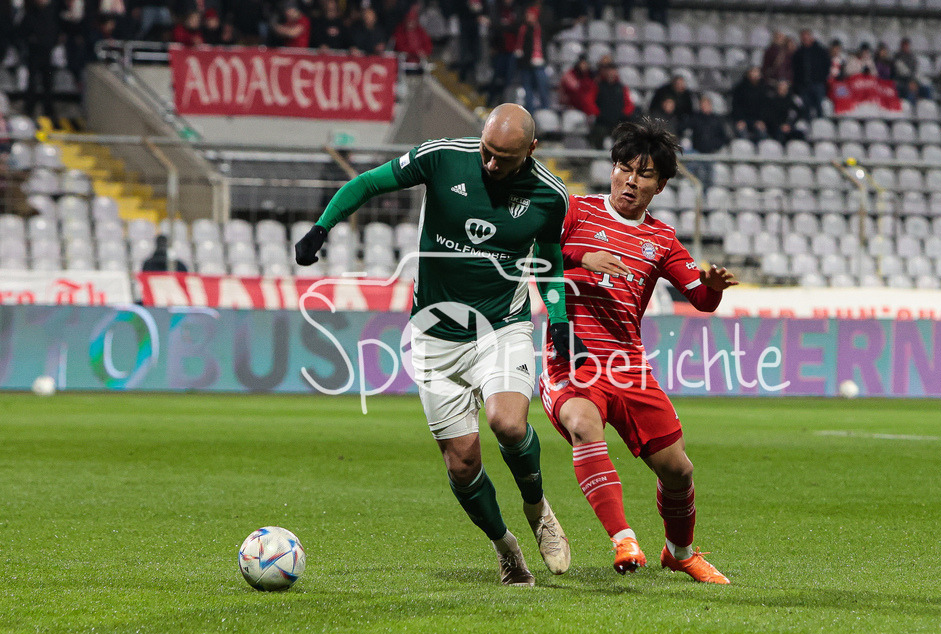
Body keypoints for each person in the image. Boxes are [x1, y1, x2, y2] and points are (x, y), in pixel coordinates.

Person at [294, 104, 581, 587]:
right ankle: (506, 548)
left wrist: (558, 319)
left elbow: (550, 261)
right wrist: (323, 226)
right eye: (487, 151)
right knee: (463, 463)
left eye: (504, 158)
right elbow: (368, 183)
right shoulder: (442, 157)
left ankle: (537, 509)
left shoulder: (550, 195)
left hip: (501, 326)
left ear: (531, 150)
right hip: (432, 335)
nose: (491, 164)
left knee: (508, 423)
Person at [539, 117, 737, 580]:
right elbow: (534, 257)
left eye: (644, 174)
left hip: (627, 363)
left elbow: (701, 299)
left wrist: (712, 287)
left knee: (679, 471)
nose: (631, 180)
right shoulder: (575, 211)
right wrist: (581, 256)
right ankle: (623, 538)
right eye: (624, 168)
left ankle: (680, 552)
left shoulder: (661, 239)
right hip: (572, 356)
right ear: (612, 169)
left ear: (661, 185)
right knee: (583, 424)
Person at [18, 0, 61, 120]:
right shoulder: (31, 12)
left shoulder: (52, 11)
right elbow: (22, 30)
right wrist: (30, 41)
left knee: (47, 82)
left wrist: (52, 41)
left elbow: (56, 29)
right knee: (32, 82)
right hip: (34, 52)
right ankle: (29, 108)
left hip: (47, 52)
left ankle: (48, 110)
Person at [589, 57, 636, 148]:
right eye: (609, 70)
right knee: (598, 134)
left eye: (613, 70)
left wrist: (623, 114)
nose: (611, 73)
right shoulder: (597, 86)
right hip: (602, 122)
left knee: (624, 136)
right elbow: (591, 103)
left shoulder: (622, 88)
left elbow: (629, 105)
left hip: (618, 122)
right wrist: (598, 114)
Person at [685, 94, 729, 189]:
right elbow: (685, 129)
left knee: (710, 176)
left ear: (710, 105)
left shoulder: (717, 120)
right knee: (695, 173)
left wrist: (715, 146)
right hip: (697, 152)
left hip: (712, 153)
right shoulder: (695, 118)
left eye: (706, 104)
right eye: (703, 105)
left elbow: (724, 137)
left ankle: (708, 192)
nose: (704, 107)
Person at [515, 1, 553, 113]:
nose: (528, 17)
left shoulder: (542, 29)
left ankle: (545, 110)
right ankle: (529, 112)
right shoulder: (522, 29)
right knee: (528, 89)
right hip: (525, 65)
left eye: (530, 15)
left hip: (539, 64)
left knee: (542, 86)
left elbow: (556, 26)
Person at [792, 28, 830, 120]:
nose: (805, 39)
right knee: (806, 109)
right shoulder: (798, 53)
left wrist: (821, 78)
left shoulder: (820, 51)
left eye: (807, 37)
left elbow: (827, 66)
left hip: (818, 84)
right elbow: (795, 70)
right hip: (804, 85)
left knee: (819, 108)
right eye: (803, 37)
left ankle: (820, 125)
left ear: (811, 37)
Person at [730, 66, 769, 142]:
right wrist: (739, 120)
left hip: (757, 119)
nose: (755, 74)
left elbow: (765, 107)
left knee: (762, 134)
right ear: (748, 73)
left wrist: (761, 120)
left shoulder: (764, 88)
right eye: (753, 72)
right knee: (743, 135)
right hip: (742, 119)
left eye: (757, 72)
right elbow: (736, 105)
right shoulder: (740, 88)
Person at [893, 38, 933, 104]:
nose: (906, 47)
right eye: (904, 45)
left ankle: (928, 106)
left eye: (907, 45)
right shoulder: (897, 57)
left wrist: (915, 82)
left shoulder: (912, 57)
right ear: (901, 46)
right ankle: (911, 107)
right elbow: (902, 73)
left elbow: (916, 71)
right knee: (910, 92)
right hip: (902, 82)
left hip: (914, 81)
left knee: (926, 88)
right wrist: (911, 82)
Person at [392, 2, 433, 67]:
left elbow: (428, 45)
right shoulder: (400, 31)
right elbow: (400, 47)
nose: (411, 23)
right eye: (409, 21)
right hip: (405, 61)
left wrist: (424, 52)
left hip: (421, 61)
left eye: (413, 21)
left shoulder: (420, 31)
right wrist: (415, 52)